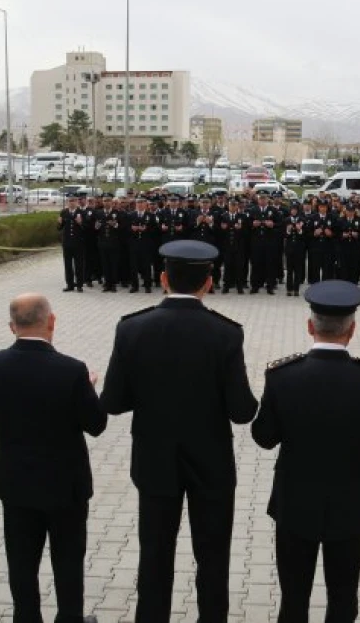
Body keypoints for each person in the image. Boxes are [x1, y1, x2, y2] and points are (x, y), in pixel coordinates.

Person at [100, 240, 259, 623]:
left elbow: (113, 402)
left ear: (163, 278)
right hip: (211, 464)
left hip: (155, 461)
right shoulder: (226, 333)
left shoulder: (131, 328)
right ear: (209, 282)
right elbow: (242, 412)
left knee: (154, 553)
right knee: (213, 555)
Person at [252, 280, 360, 623]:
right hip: (350, 507)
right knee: (344, 599)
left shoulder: (281, 376)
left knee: (293, 600)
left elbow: (263, 437)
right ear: (352, 330)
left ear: (309, 326)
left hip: (294, 505)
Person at [0, 294, 106, 623]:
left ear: (11, 327)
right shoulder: (72, 370)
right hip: (66, 485)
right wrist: (88, 389)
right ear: (51, 321)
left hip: (16, 482)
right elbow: (96, 425)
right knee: (68, 562)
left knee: (21, 563)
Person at [58, 199, 87, 292]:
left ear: (77, 202)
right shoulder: (64, 212)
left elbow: (86, 228)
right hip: (67, 243)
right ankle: (70, 284)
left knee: (79, 264)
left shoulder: (81, 212)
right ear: (67, 202)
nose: (72, 203)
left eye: (73, 201)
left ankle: (79, 285)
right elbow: (59, 228)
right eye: (70, 201)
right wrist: (59, 223)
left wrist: (80, 223)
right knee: (68, 265)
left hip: (78, 243)